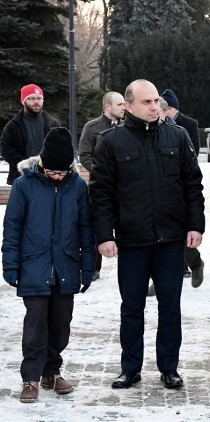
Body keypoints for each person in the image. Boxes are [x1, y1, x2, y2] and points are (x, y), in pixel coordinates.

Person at [90, 79, 205, 390]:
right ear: (128, 106)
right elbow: (100, 194)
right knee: (132, 308)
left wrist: (195, 225)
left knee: (170, 307)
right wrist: (104, 235)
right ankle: (131, 368)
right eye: (147, 102)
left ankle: (169, 367)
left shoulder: (177, 136)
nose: (155, 107)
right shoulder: (111, 142)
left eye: (156, 101)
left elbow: (193, 185)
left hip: (170, 240)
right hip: (132, 241)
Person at [2, 127, 95, 403]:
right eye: (52, 172)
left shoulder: (77, 186)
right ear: (42, 165)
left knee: (61, 323)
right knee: (35, 324)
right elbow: (12, 228)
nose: (57, 177)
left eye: (62, 173)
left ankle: (51, 372)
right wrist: (10, 265)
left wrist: (87, 267)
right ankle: (30, 377)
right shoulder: (24, 186)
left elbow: (85, 229)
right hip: (34, 266)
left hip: (65, 265)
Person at [78, 91, 125, 281]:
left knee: (124, 228)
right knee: (98, 228)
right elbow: (85, 155)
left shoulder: (126, 127)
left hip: (123, 188)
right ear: (107, 107)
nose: (124, 107)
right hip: (100, 186)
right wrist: (100, 172)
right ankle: (93, 268)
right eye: (120, 104)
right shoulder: (92, 127)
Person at [160, 89, 204, 285]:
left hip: (180, 187)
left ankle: (194, 263)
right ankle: (164, 276)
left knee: (181, 236)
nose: (166, 112)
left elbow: (193, 154)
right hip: (160, 191)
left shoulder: (187, 126)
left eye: (169, 108)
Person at [1, 84, 60, 185]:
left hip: (48, 177)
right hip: (22, 177)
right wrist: (26, 164)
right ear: (24, 101)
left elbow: (62, 147)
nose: (36, 102)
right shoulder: (13, 125)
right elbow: (6, 149)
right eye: (32, 98)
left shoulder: (53, 124)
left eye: (39, 98)